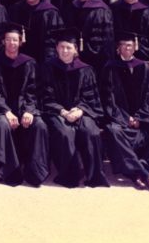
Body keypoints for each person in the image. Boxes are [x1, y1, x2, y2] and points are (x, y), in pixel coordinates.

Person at [99, 31, 149, 193]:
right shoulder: (110, 68)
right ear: (117, 48)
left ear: (135, 47)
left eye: (129, 45)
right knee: (113, 130)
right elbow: (108, 100)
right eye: (123, 45)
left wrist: (140, 118)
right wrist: (126, 119)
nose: (126, 48)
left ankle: (138, 170)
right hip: (119, 119)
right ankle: (144, 174)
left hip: (143, 118)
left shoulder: (144, 67)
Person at [41, 27, 109, 188]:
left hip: (81, 111)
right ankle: (69, 175)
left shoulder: (86, 70)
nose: (65, 51)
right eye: (62, 47)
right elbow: (45, 97)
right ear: (56, 48)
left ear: (75, 49)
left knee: (90, 131)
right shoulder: (47, 68)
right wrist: (63, 112)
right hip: (56, 112)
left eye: (68, 48)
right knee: (64, 132)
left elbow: (91, 97)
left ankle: (94, 176)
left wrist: (80, 110)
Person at [0, 22, 49, 186]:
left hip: (24, 108)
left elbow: (33, 91)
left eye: (15, 40)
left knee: (39, 125)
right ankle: (9, 170)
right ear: (3, 41)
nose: (12, 43)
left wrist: (29, 111)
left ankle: (34, 171)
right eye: (8, 39)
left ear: (21, 42)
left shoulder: (29, 63)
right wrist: (6, 111)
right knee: (1, 125)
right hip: (0, 111)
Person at [60, 0, 114, 74]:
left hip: (95, 62)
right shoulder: (70, 8)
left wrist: (83, 53)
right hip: (69, 59)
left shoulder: (101, 10)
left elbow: (105, 43)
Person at [8, 0, 64, 64]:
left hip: (43, 59)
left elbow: (53, 40)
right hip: (19, 61)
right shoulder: (15, 9)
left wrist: (48, 63)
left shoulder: (50, 13)